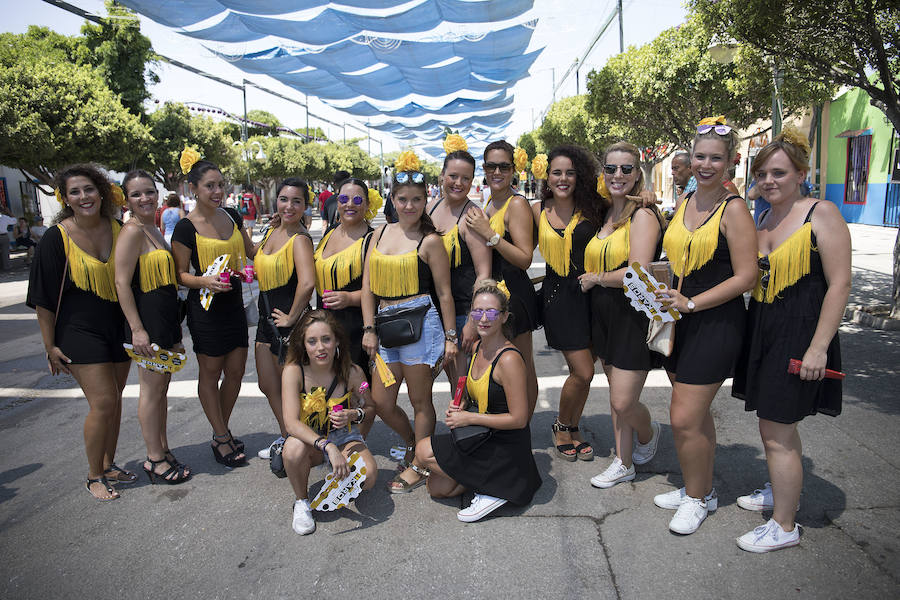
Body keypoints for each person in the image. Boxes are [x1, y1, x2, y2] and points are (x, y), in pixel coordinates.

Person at [732, 127, 851, 552]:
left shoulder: (822, 213)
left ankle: (783, 525)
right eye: (762, 173)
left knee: (776, 432)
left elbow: (839, 285)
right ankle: (780, 491)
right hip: (763, 326)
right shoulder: (764, 215)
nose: (769, 181)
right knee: (774, 426)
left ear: (801, 173)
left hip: (800, 332)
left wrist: (818, 346)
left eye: (779, 173)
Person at [652, 117, 758, 535]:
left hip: (714, 322)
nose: (706, 164)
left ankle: (697, 498)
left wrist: (691, 302)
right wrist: (660, 292)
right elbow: (675, 259)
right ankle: (702, 487)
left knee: (682, 418)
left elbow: (746, 276)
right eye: (699, 156)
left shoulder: (734, 209)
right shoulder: (686, 201)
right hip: (678, 320)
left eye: (716, 158)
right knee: (694, 417)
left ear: (731, 162)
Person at [27, 164, 133, 500]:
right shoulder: (56, 238)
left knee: (114, 401)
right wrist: (49, 345)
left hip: (118, 326)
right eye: (75, 192)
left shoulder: (119, 229)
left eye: (89, 189)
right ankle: (93, 476)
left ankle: (109, 463)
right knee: (102, 402)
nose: (84, 197)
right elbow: (43, 299)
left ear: (101, 191)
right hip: (77, 330)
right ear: (66, 199)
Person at [361, 153, 458, 492]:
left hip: (422, 327)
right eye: (402, 199)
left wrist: (450, 338)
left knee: (420, 401)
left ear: (425, 200)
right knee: (381, 402)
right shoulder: (378, 235)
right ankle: (414, 443)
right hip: (385, 328)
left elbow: (444, 294)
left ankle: (420, 463)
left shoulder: (430, 241)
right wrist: (369, 329)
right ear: (392, 199)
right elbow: (366, 289)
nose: (409, 205)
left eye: (417, 199)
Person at [579, 142, 667, 488]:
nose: (617, 175)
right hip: (603, 313)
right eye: (611, 168)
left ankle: (648, 431)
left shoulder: (642, 216)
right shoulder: (605, 213)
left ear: (637, 174)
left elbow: (637, 272)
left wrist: (596, 278)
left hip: (632, 314)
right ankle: (623, 461)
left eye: (626, 169)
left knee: (622, 399)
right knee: (617, 395)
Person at [416, 280, 541, 522]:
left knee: (423, 450)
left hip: (505, 445)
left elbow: (519, 419)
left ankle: (496, 488)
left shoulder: (508, 359)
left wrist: (468, 417)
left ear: (504, 317)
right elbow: (481, 395)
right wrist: (462, 406)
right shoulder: (477, 347)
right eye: (477, 312)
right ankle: (489, 482)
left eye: (492, 312)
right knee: (437, 488)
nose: (483, 318)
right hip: (482, 436)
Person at [171, 151, 255, 468]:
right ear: (194, 188)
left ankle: (222, 429)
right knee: (211, 373)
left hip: (234, 304)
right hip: (204, 310)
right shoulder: (185, 227)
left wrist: (281, 231)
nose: (217, 191)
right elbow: (180, 275)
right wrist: (203, 281)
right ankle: (221, 437)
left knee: (235, 372)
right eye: (210, 186)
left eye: (220, 184)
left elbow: (251, 252)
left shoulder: (232, 216)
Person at [114, 170, 190, 484]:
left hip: (165, 319)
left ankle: (162, 447)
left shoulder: (152, 229)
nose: (145, 199)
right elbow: (121, 282)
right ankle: (154, 458)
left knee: (161, 390)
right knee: (150, 390)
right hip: (148, 321)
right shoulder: (132, 231)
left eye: (149, 192)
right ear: (126, 199)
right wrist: (137, 329)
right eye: (136, 194)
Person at [531, 145, 604, 462]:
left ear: (580, 176)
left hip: (596, 294)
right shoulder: (536, 210)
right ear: (547, 176)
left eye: (570, 172)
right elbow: (515, 243)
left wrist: (644, 198)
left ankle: (573, 426)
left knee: (588, 369)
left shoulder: (596, 206)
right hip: (559, 297)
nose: (563, 178)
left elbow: (631, 206)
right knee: (583, 371)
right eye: (557, 172)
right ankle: (561, 425)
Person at [280, 310, 377, 535]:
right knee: (292, 449)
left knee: (369, 476)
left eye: (326, 339)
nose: (320, 347)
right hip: (310, 440)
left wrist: (354, 414)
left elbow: (370, 408)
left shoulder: (353, 372)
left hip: (345, 436)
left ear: (336, 341)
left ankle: (339, 476)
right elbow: (291, 424)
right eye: (312, 341)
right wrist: (328, 446)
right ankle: (302, 502)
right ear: (303, 345)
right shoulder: (293, 372)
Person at [465, 140, 540, 417]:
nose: (497, 172)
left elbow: (524, 258)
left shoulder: (516, 204)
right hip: (493, 294)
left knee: (521, 364)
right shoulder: (489, 201)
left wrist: (490, 234)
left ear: (513, 169)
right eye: (491, 166)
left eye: (503, 166)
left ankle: (524, 424)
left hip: (515, 295)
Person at [254, 178, 316, 461]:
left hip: (287, 323)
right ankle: (287, 436)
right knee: (268, 385)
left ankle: (301, 443)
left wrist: (292, 316)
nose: (289, 206)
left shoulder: (300, 238)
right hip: (265, 319)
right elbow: (255, 256)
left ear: (305, 206)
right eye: (283, 199)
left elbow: (307, 284)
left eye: (296, 201)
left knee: (293, 390)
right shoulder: (272, 231)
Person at [428, 145, 492, 390]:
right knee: (437, 378)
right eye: (453, 176)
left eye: (466, 178)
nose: (458, 183)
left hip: (462, 310)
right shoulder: (430, 208)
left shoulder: (472, 217)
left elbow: (483, 274)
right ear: (442, 176)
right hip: (432, 311)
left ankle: (466, 426)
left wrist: (471, 322)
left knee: (461, 383)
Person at [314, 177, 377, 385]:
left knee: (358, 392)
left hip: (357, 328)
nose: (350, 204)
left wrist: (349, 297)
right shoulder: (330, 232)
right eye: (344, 198)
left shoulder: (372, 238)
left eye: (357, 200)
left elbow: (382, 290)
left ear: (367, 205)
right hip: (325, 327)